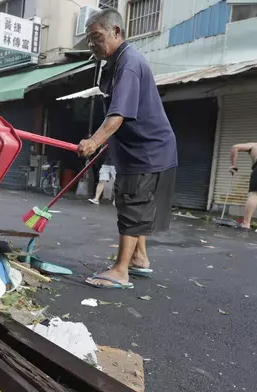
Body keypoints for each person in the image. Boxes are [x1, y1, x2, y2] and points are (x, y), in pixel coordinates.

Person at [77, 8, 178, 289]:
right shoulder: (117, 62)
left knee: (132, 203)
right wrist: (103, 142)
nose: (91, 44)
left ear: (116, 32)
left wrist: (94, 141)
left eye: (96, 37)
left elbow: (118, 114)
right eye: (89, 39)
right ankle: (139, 258)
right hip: (142, 149)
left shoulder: (129, 63)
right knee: (134, 202)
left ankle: (120, 271)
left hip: (148, 151)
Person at [230, 142, 257, 230]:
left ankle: (246, 223)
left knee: (254, 194)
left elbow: (235, 146)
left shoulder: (254, 145)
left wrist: (233, 165)